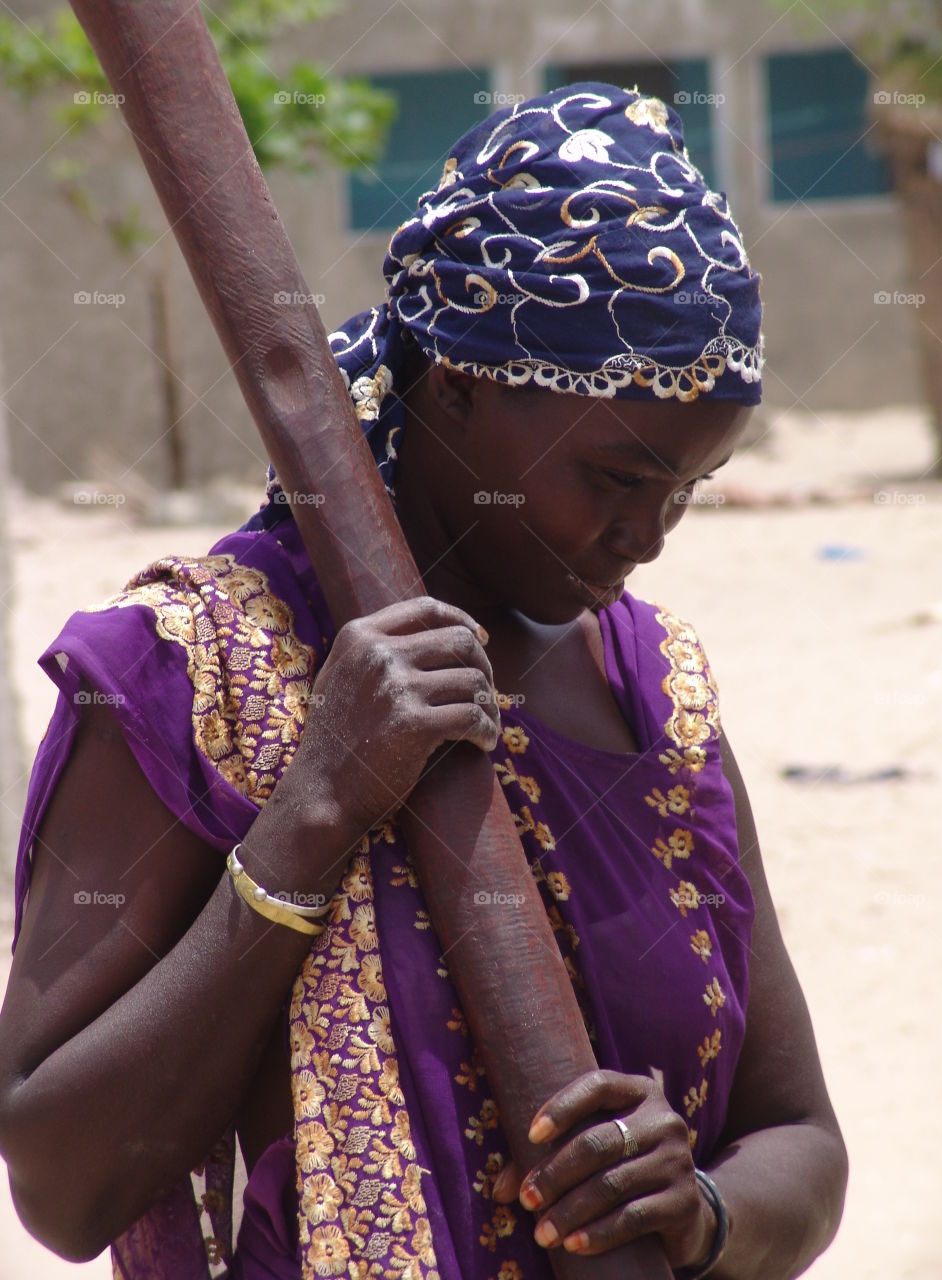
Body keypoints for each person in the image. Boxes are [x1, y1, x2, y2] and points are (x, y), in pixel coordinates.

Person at [0, 84, 846, 1279]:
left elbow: (802, 1138)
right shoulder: (191, 669)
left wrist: (699, 1206)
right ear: (454, 385)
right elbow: (61, 1182)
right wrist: (317, 811)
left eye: (687, 489)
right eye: (614, 476)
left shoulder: (661, 691)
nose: (647, 535)